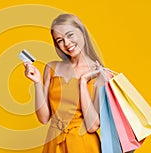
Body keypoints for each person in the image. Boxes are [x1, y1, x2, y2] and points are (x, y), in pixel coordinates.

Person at [23, 14, 113, 153]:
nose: (67, 43)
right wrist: (37, 82)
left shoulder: (100, 74)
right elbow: (44, 118)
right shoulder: (51, 68)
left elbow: (92, 126)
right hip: (53, 143)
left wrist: (83, 82)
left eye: (70, 35)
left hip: (83, 145)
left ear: (82, 32)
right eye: (60, 40)